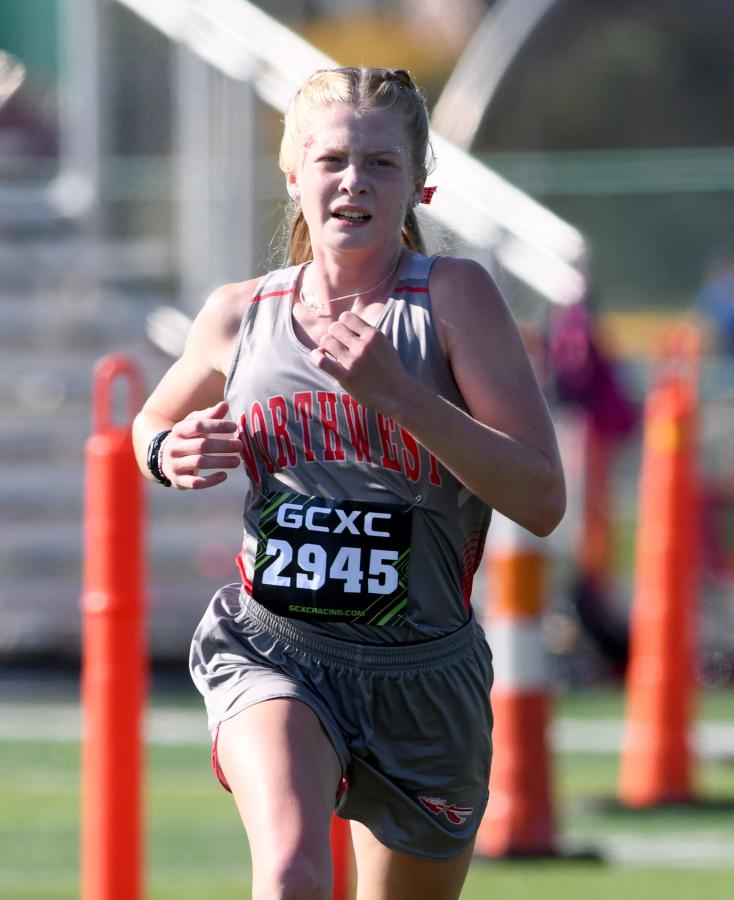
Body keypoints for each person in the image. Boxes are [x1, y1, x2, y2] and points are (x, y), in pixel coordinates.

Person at [132, 66, 565, 900]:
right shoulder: (238, 314)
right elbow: (150, 424)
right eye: (331, 160)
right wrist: (166, 452)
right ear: (292, 173)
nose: (353, 182)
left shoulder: (454, 300)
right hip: (277, 649)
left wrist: (399, 395)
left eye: (380, 163)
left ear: (421, 184)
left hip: (425, 673)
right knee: (292, 873)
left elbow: (542, 499)